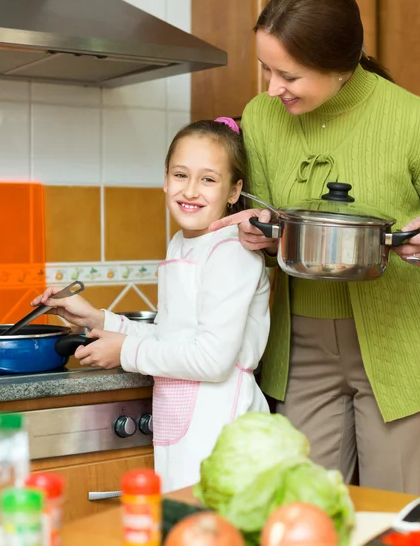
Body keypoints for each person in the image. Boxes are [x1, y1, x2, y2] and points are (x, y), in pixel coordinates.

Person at [210, 0, 420, 494]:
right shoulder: (261, 118)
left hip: (395, 350)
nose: (271, 89)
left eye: (289, 75)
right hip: (299, 348)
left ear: (342, 66)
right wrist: (258, 234)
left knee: (395, 518)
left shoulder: (415, 121)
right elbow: (264, 225)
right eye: (266, 68)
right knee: (304, 516)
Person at [31, 117, 271, 492]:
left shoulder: (231, 252)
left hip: (224, 428)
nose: (190, 190)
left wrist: (126, 350)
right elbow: (174, 336)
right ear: (164, 178)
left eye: (208, 179)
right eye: (180, 175)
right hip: (187, 425)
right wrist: (98, 319)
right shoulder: (183, 243)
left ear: (233, 191)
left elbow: (211, 359)